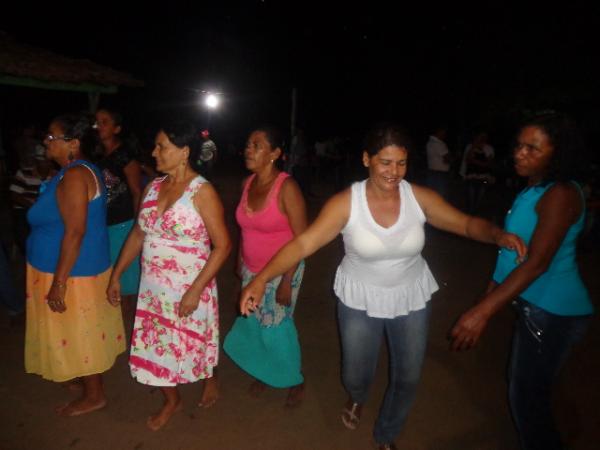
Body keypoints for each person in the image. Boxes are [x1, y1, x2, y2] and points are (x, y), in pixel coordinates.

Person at [238, 124, 525, 449]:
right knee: (356, 372)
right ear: (366, 159)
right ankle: (358, 397)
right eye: (385, 162)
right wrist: (261, 279)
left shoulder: (419, 198)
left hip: (411, 295)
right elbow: (304, 243)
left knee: (408, 376)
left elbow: (467, 223)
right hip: (359, 298)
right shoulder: (347, 203)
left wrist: (497, 235)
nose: (394, 172)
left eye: (401, 163)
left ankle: (387, 433)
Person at [450, 113, 594, 450]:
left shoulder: (561, 194)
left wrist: (481, 312)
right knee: (535, 393)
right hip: (536, 307)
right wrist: (486, 299)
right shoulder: (535, 188)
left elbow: (537, 263)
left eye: (533, 148)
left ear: (557, 153)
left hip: (552, 313)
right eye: (519, 146)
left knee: (526, 400)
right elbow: (510, 253)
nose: (520, 154)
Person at [107, 121, 231, 431]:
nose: (154, 152)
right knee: (155, 346)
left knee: (197, 342)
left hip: (192, 285)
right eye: (156, 145)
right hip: (153, 290)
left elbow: (223, 246)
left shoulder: (202, 192)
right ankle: (172, 400)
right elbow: (138, 234)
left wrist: (195, 291)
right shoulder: (153, 187)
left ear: (184, 152)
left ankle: (209, 377)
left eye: (162, 146)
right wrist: (116, 274)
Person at [25, 112, 125, 416]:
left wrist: (59, 282)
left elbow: (76, 231)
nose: (46, 141)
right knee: (75, 331)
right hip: (67, 267)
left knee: (82, 333)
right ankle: (81, 378)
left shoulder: (75, 175)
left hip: (72, 272)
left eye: (52, 137)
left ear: (74, 143)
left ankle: (94, 395)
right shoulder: (74, 172)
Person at [224, 126, 308, 407]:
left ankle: (296, 379)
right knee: (258, 324)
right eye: (248, 143)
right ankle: (268, 370)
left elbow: (302, 240)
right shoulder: (247, 184)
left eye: (257, 145)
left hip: (283, 271)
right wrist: (240, 265)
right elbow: (244, 230)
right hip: (251, 270)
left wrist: (287, 280)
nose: (249, 149)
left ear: (274, 154)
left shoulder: (287, 188)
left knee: (278, 327)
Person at [96, 108, 143, 310]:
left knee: (127, 280)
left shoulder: (125, 156)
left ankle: (129, 326)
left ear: (117, 128)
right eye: (97, 122)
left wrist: (137, 226)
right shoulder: (97, 154)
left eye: (105, 122)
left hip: (124, 223)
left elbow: (136, 192)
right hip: (104, 222)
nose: (99, 126)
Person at [459, 131, 495, 213]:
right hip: (471, 175)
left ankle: (475, 214)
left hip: (483, 176)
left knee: (479, 198)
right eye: (481, 136)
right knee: (470, 198)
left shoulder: (489, 148)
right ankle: (470, 213)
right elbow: (467, 160)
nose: (482, 138)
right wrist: (474, 146)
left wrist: (475, 161)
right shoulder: (470, 146)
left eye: (484, 137)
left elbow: (488, 163)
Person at [426, 125, 452, 199]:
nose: (444, 134)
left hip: (432, 172)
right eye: (443, 132)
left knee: (432, 194)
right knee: (440, 196)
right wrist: (450, 159)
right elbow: (447, 158)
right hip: (439, 174)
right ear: (439, 132)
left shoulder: (430, 142)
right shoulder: (438, 143)